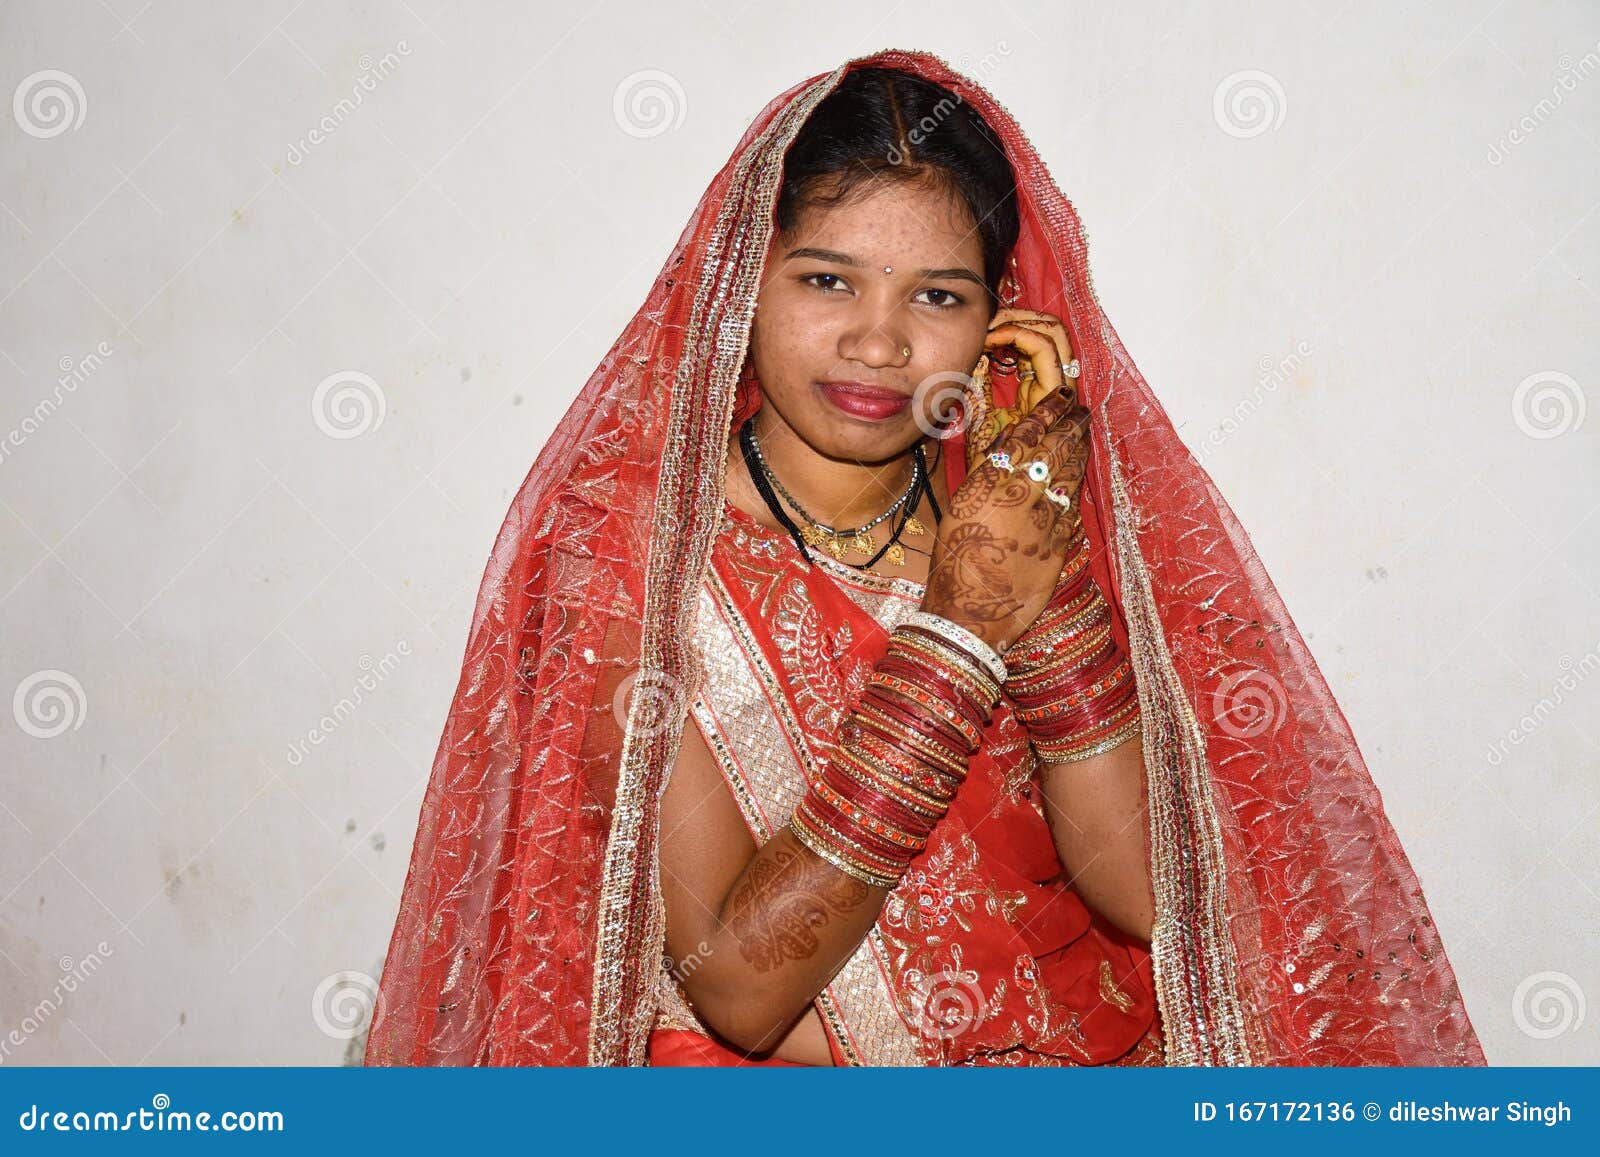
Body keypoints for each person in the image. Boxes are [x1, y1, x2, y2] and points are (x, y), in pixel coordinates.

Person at [363, 49, 1485, 1067]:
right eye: (826, 279)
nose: (879, 341)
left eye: (936, 296)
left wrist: (1029, 563)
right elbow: (740, 990)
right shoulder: (632, 566)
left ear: (1000, 314)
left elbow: (1148, 892)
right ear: (736, 286)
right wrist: (958, 632)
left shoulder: (1008, 524)